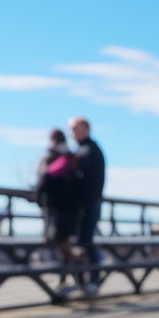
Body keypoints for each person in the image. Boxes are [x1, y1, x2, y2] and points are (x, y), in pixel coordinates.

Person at [36, 128, 81, 289]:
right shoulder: (71, 157)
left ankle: (71, 274)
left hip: (54, 205)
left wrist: (38, 199)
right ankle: (72, 275)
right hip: (69, 206)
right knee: (63, 241)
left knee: (57, 240)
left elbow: (42, 180)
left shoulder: (50, 157)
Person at [69, 116, 106, 296]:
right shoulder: (86, 150)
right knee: (81, 243)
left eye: (74, 129)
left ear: (85, 128)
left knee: (86, 242)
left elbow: (88, 182)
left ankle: (92, 281)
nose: (71, 133)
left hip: (87, 207)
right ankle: (83, 281)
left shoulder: (89, 151)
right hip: (86, 206)